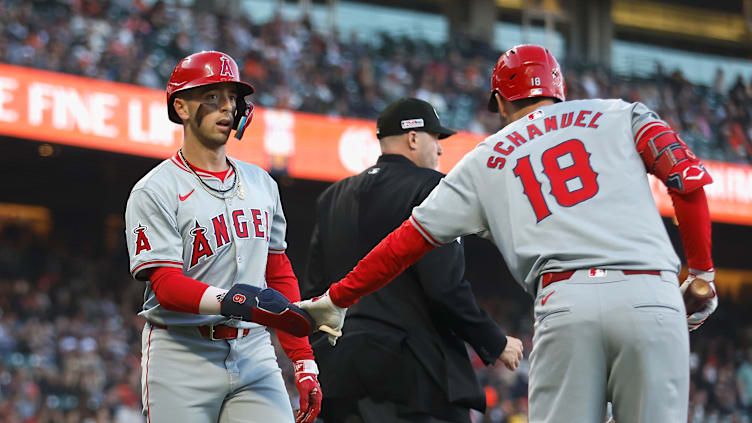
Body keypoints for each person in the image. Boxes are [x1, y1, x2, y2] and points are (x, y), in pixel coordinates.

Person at [299, 44, 718, 422]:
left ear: (500, 101)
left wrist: (339, 297)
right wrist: (702, 274)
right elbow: (687, 182)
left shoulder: (484, 159)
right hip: (652, 295)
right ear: (559, 90)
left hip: (567, 303)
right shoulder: (623, 113)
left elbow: (401, 246)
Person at [124, 51, 321, 423]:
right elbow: (166, 285)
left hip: (254, 349)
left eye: (232, 97)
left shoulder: (262, 183)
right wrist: (239, 300)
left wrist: (303, 358)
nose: (227, 107)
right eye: (211, 96)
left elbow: (278, 272)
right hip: (181, 354)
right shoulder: (154, 189)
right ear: (180, 107)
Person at [301, 98, 523, 423]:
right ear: (414, 138)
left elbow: (316, 294)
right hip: (414, 376)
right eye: (436, 139)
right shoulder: (432, 188)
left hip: (341, 375)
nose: (440, 150)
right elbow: (444, 287)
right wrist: (494, 341)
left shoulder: (332, 197)